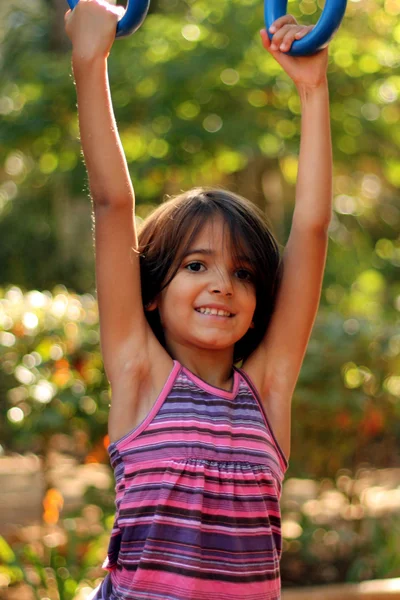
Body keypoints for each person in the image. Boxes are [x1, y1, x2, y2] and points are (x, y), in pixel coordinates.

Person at [65, 1, 332, 598]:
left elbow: (311, 229)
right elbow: (113, 205)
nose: (222, 285)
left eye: (242, 273)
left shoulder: (268, 391)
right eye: (195, 265)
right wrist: (90, 60)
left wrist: (314, 91)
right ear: (154, 294)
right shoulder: (140, 375)